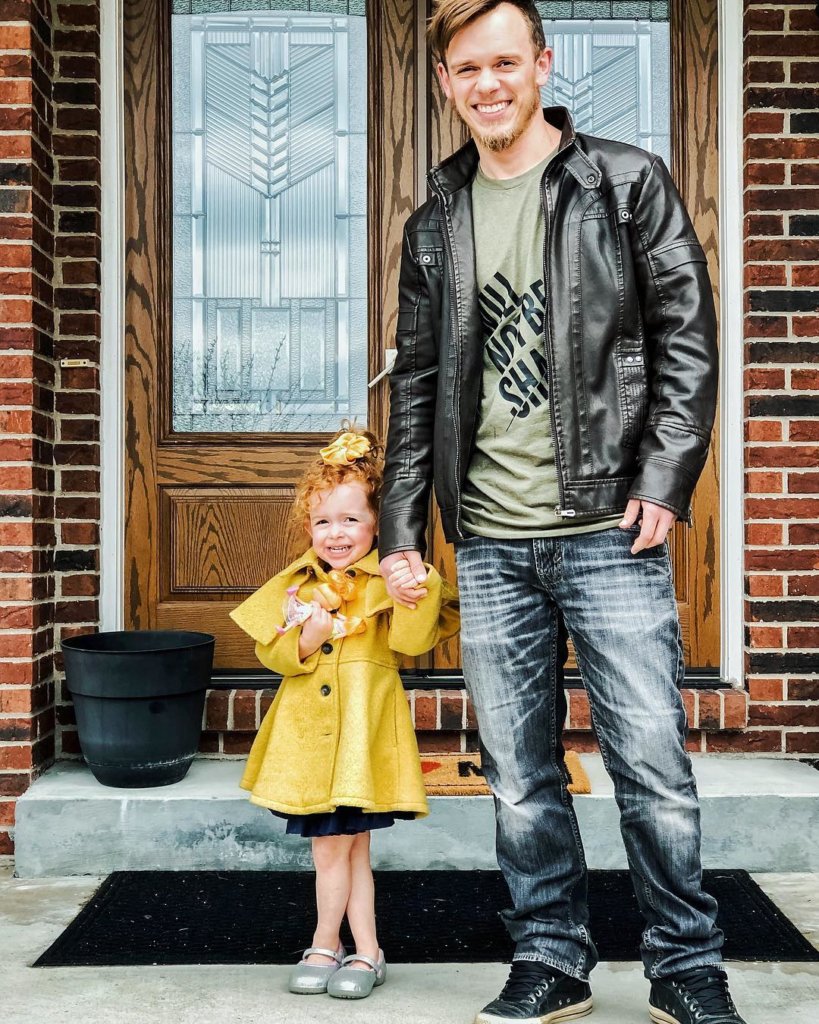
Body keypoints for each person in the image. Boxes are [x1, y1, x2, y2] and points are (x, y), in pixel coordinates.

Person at [379, 3, 747, 1024]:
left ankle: (684, 964)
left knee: (652, 765)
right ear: (447, 82)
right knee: (517, 775)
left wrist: (665, 481)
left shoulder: (623, 184)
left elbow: (687, 342)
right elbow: (416, 388)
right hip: (491, 537)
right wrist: (403, 532)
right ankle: (551, 957)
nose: (487, 83)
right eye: (467, 68)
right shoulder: (435, 220)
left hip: (607, 529)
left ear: (541, 64)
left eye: (505, 61)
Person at [230, 428, 459, 1000]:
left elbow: (409, 643)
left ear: (378, 523)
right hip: (310, 740)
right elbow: (272, 653)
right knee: (344, 845)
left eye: (351, 520)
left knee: (341, 844)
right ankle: (366, 950)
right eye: (324, 522)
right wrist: (305, 637)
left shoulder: (388, 580)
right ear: (309, 527)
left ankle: (325, 943)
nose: (336, 534)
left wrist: (416, 587)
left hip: (362, 736)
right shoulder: (298, 586)